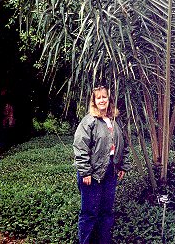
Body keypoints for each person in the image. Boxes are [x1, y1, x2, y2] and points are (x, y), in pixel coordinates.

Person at [73, 85, 131, 244]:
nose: (102, 100)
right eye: (98, 97)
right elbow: (80, 146)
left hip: (111, 171)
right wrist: (85, 172)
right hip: (92, 173)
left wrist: (122, 166)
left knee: (106, 212)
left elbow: (123, 144)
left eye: (104, 97)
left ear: (109, 99)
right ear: (94, 101)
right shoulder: (89, 121)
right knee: (89, 213)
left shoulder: (115, 120)